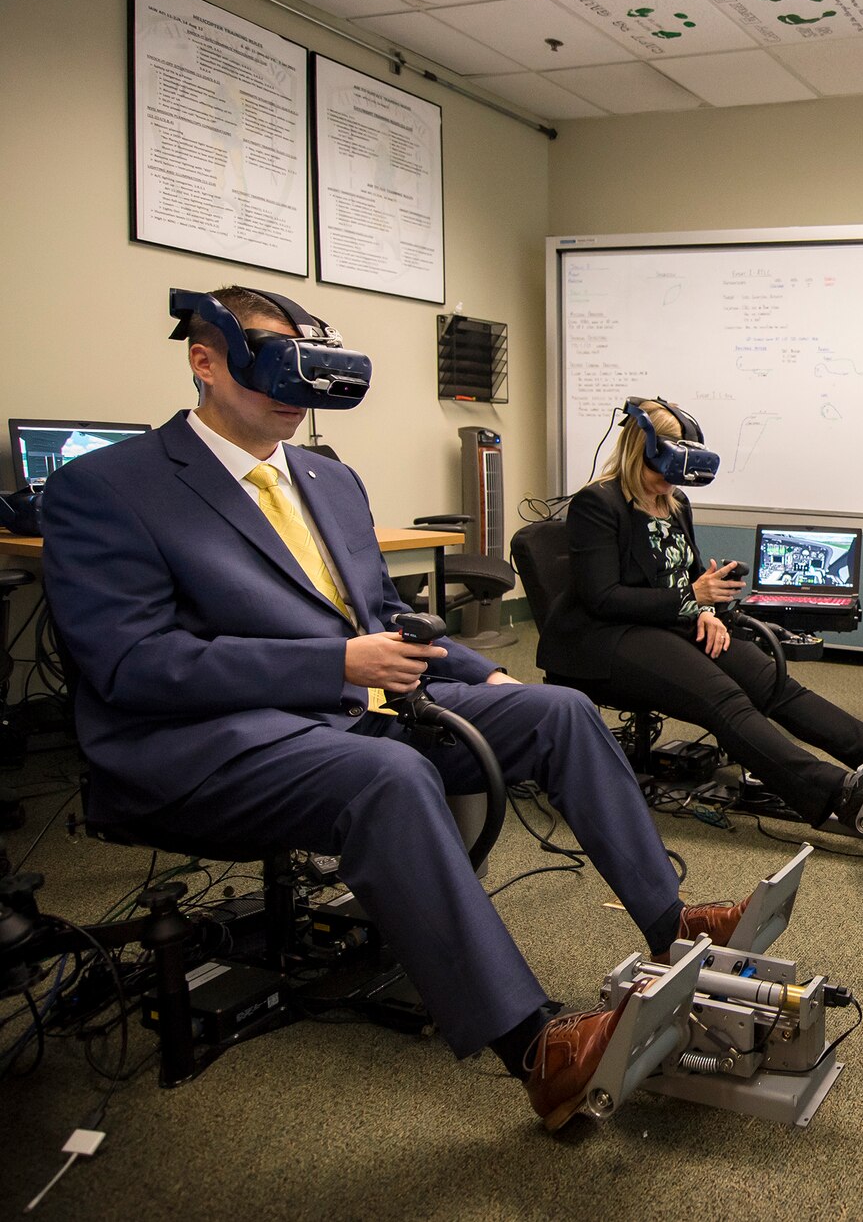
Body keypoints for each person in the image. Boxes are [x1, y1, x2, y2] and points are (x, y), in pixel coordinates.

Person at [40, 286, 742, 1133]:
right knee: (390, 774)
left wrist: (482, 676)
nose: (294, 393)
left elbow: (380, 615)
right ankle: (537, 1048)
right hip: (208, 740)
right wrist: (333, 662)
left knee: (557, 710)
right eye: (272, 364)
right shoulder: (108, 488)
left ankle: (674, 923)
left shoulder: (329, 479)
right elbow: (132, 664)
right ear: (205, 361)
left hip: (358, 707)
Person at [538, 399, 863, 828]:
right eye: (664, 472)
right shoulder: (598, 504)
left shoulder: (675, 503)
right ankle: (836, 791)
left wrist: (705, 609)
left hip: (665, 623)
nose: (669, 485)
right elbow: (602, 597)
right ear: (644, 453)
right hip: (601, 637)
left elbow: (689, 576)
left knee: (772, 682)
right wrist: (691, 597)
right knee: (724, 699)